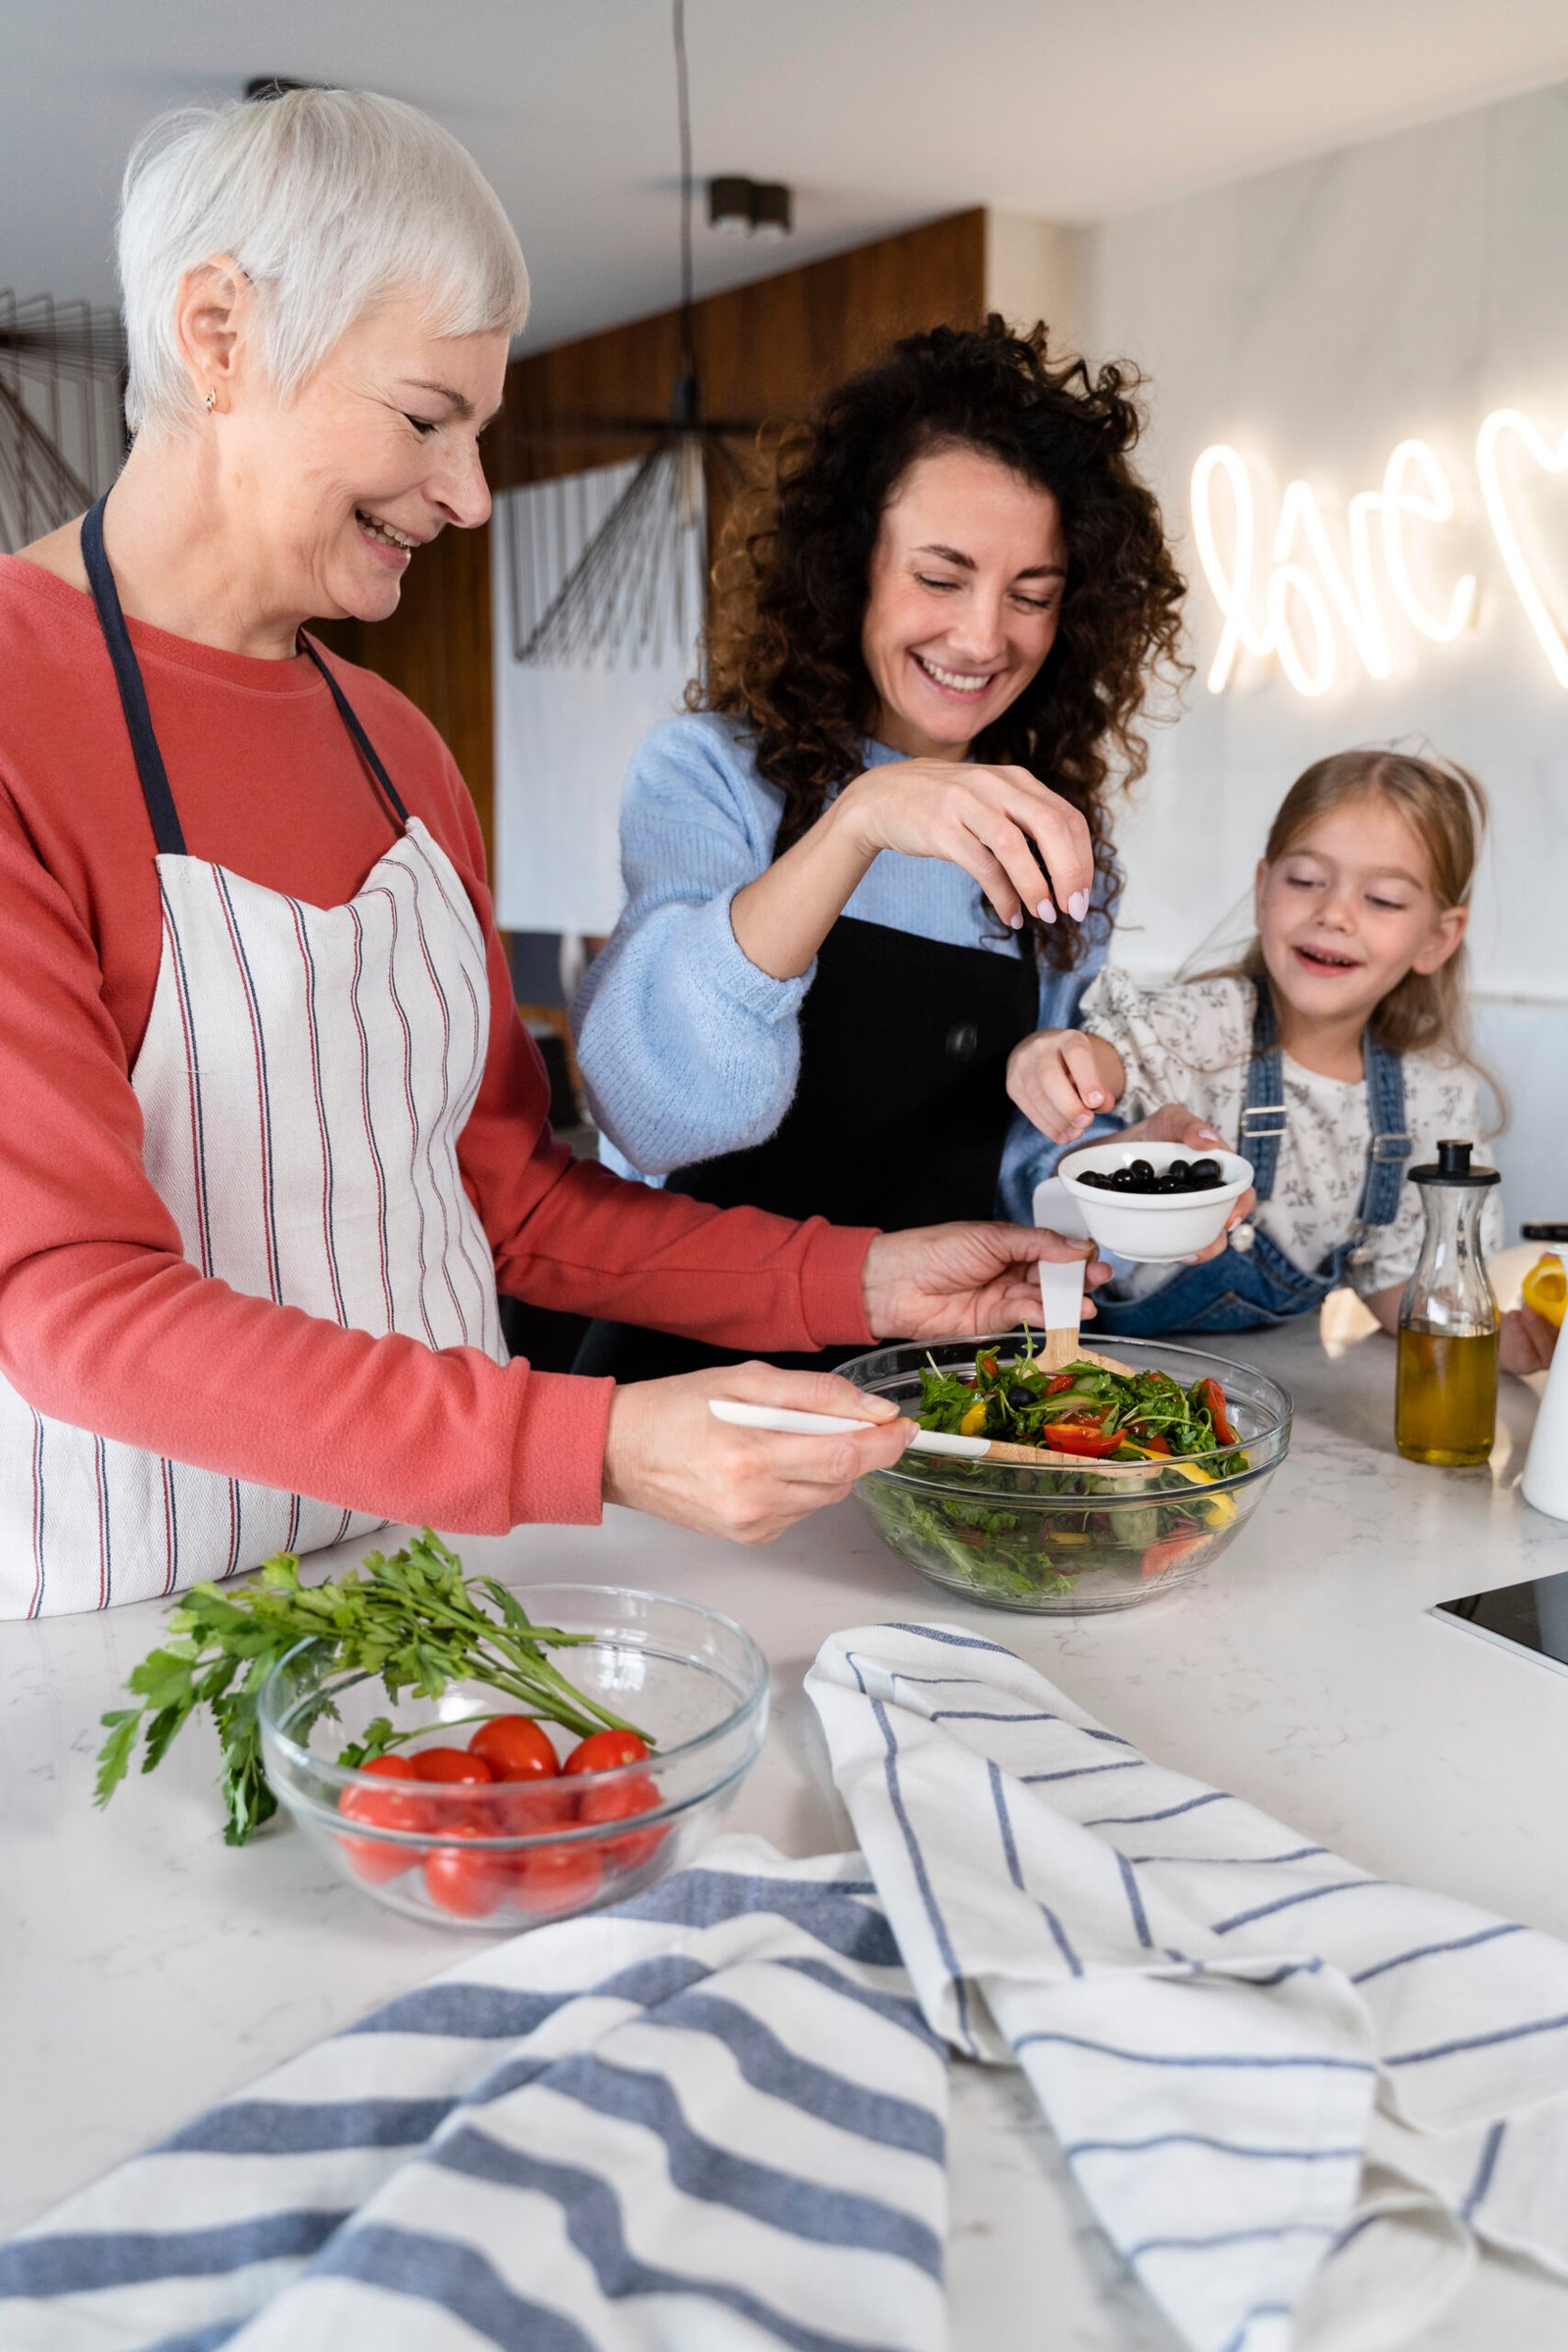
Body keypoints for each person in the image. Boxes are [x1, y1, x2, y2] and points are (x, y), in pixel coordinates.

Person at [0, 89, 1107, 1618]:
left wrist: (861, 1281)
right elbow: (68, 1306)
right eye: (424, 417)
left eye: (478, 428)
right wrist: (593, 1440)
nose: (466, 496)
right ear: (216, 335)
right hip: (124, 1618)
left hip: (437, 1575)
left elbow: (509, 1203)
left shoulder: (396, 748)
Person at [573, 320, 1244, 1379]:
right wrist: (858, 821)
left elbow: (1020, 1183)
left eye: (1031, 594)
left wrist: (1118, 1174)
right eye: (941, 577)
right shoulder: (708, 777)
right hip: (689, 1386)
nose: (985, 638)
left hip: (928, 1401)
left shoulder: (1054, 848)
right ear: (851, 571)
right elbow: (657, 1112)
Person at [1010, 749, 1555, 1372]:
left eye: (1382, 899)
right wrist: (1057, 1057)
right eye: (1305, 881)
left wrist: (1488, 1343)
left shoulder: (1430, 1093)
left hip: (1275, 1388)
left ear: (1437, 938)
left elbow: (1396, 1282)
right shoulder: (1210, 1022)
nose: (1334, 913)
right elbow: (1106, 1060)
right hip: (1101, 1362)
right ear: (1264, 888)